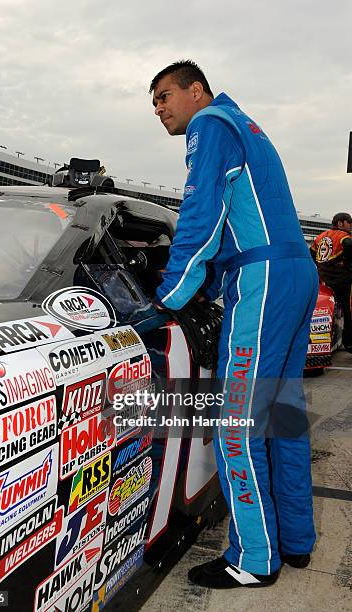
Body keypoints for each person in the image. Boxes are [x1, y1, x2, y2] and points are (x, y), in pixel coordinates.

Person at [149, 60, 319, 589]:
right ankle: (295, 541)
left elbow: (201, 213)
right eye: (153, 102)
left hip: (262, 277)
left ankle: (254, 558)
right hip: (296, 274)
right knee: (282, 415)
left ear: (196, 91)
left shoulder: (210, 125)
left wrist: (170, 296)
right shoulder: (245, 123)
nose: (159, 109)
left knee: (237, 422)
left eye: (165, 95)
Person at [310, 212, 352, 351]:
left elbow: (311, 255)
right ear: (340, 223)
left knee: (323, 309)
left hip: (323, 281)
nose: (351, 225)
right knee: (348, 310)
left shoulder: (320, 237)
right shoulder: (345, 238)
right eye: (349, 222)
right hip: (342, 281)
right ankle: (349, 342)